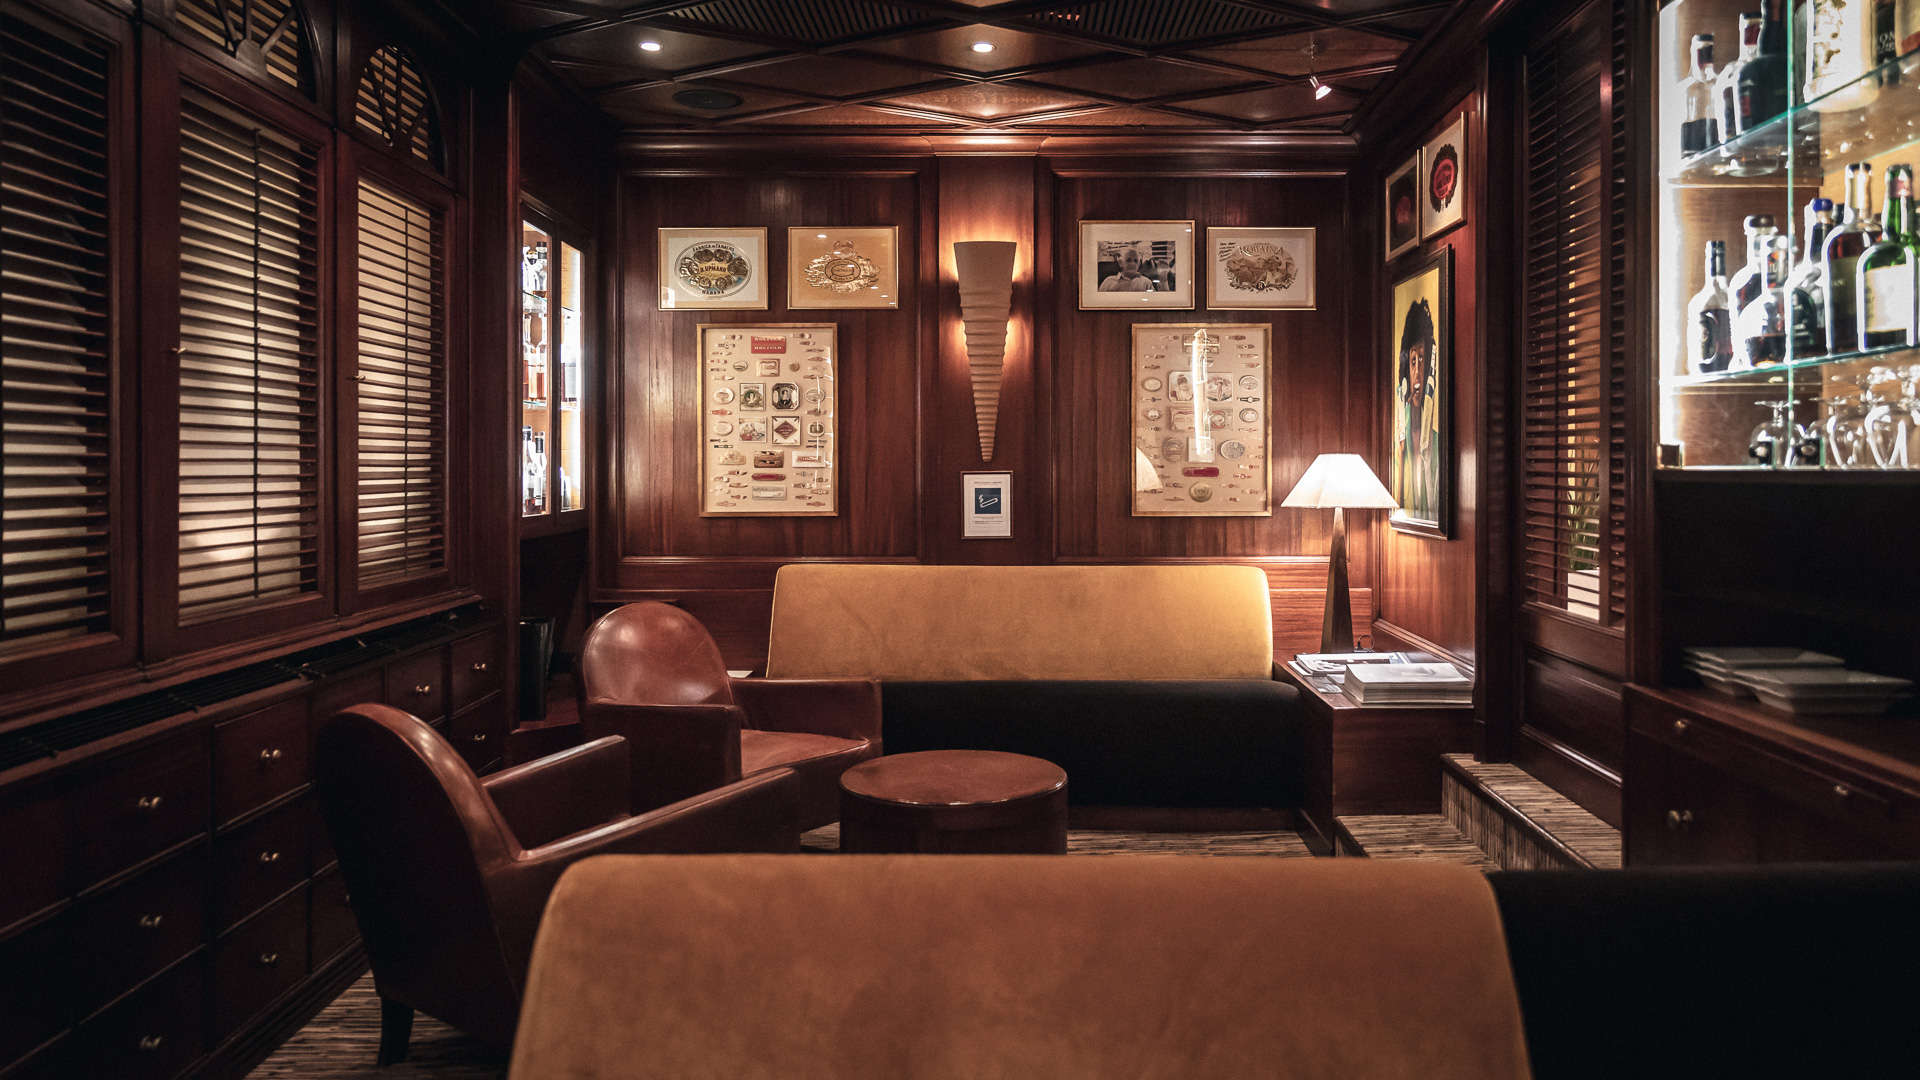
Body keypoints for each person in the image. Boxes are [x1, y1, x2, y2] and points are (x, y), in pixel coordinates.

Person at [1394, 298, 1439, 520]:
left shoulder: (1437, 445)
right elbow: (1397, 504)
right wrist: (1401, 455)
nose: (1418, 371)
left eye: (1423, 359)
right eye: (1413, 361)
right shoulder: (1400, 442)